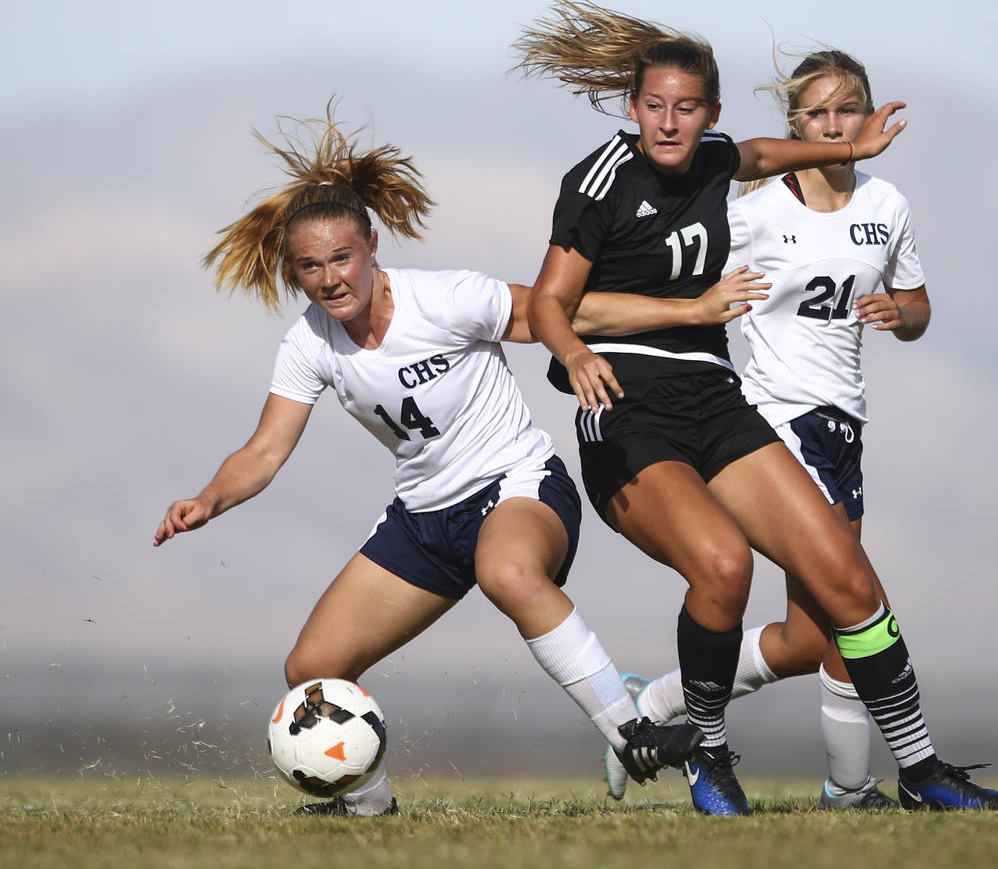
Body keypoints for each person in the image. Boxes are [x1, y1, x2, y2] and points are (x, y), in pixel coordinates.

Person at [516, 0, 998, 815]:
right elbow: (551, 305)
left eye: (686, 108)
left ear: (708, 111)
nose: (669, 123)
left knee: (851, 585)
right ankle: (707, 755)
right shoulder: (600, 180)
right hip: (628, 408)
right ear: (632, 108)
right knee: (724, 564)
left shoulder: (720, 158)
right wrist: (585, 349)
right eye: (653, 107)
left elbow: (757, 151)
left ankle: (923, 770)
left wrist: (853, 144)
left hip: (716, 401)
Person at [152, 111, 703, 816]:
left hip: (518, 487)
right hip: (424, 519)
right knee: (310, 672)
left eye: (342, 258)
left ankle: (631, 730)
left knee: (506, 570)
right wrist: (208, 499)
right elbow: (264, 449)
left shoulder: (445, 298)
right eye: (310, 266)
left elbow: (559, 312)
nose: (328, 279)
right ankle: (366, 806)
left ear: (372, 247)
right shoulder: (309, 342)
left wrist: (681, 314)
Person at [601, 49, 935, 810]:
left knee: (809, 637)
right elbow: (671, 274)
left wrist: (900, 313)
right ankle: (854, 788)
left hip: (844, 423)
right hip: (775, 419)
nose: (831, 124)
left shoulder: (888, 206)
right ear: (795, 125)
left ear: (868, 113)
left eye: (845, 109)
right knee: (858, 595)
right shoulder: (750, 214)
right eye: (815, 113)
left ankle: (650, 706)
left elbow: (918, 308)